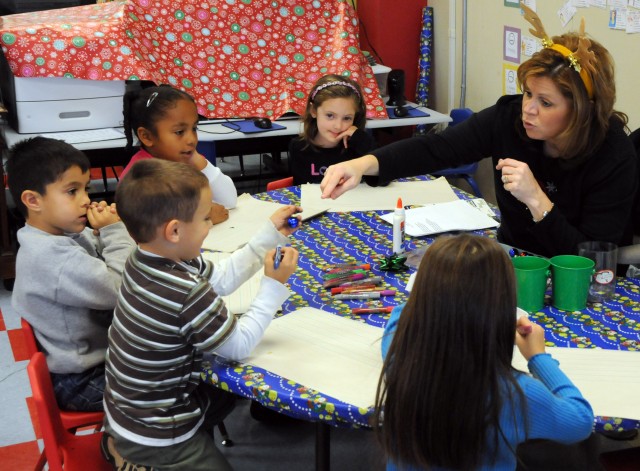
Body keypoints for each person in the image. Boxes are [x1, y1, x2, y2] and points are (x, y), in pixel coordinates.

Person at [320, 7, 637, 258]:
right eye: (527, 94)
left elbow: (591, 260)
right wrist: (361, 165)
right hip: (515, 260)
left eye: (545, 102)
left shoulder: (613, 154)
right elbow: (436, 149)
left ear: (582, 110)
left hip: (576, 281)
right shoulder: (509, 119)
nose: (528, 108)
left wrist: (537, 200)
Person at [102, 158, 300, 470]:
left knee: (222, 395)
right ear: (175, 230)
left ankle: (122, 444)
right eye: (206, 218)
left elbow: (220, 278)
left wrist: (269, 234)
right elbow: (238, 346)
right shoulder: (184, 291)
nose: (211, 224)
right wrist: (272, 286)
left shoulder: (146, 258)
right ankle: (139, 460)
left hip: (126, 408)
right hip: (160, 432)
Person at [374, 234, 594, 471]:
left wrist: (425, 298)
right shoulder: (514, 393)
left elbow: (395, 328)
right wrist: (538, 357)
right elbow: (580, 421)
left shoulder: (403, 361)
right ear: (502, 306)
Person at [5, 137, 136, 412]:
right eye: (72, 191)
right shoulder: (52, 257)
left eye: (85, 189)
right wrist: (114, 233)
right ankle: (127, 447)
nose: (86, 200)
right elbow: (123, 289)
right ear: (33, 200)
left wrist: (105, 231)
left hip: (97, 360)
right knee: (179, 386)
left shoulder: (60, 233)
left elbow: (104, 253)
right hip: (81, 380)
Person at [121, 84, 237, 224]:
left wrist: (198, 160)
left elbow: (229, 201)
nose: (192, 139)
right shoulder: (139, 177)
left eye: (194, 128)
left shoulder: (183, 160)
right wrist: (206, 218)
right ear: (147, 136)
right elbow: (160, 229)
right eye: (179, 132)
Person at [289, 74, 375, 184]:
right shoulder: (299, 147)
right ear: (314, 111)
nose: (338, 126)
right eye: (330, 115)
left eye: (347, 118)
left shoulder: (358, 145)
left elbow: (383, 181)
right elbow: (300, 191)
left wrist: (360, 138)